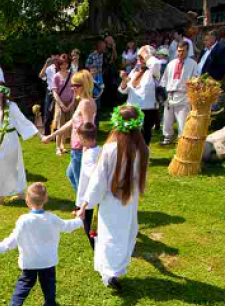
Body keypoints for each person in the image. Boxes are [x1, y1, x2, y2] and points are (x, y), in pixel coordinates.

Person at [76, 106, 150, 293]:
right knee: (124, 232)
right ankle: (115, 269)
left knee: (109, 234)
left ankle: (109, 273)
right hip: (129, 200)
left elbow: (98, 179)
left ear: (116, 125)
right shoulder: (142, 148)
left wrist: (86, 203)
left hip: (111, 200)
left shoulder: (110, 149)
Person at [0, 182, 83, 306]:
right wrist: (79, 219)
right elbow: (68, 226)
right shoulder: (52, 218)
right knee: (49, 284)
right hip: (47, 262)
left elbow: (12, 241)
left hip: (29, 262)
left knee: (24, 284)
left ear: (27, 201)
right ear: (46, 200)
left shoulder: (23, 221)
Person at [0, 83, 40, 206]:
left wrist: (39, 135)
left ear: (2, 93)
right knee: (12, 168)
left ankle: (0, 197)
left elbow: (23, 121)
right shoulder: (0, 108)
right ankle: (20, 193)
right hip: (4, 142)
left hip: (11, 141)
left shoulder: (12, 106)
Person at [42, 70, 97, 192]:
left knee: (79, 181)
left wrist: (86, 149)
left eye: (76, 85)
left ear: (85, 85)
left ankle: (83, 207)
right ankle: (84, 205)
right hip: (77, 147)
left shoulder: (86, 103)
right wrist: (52, 136)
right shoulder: (83, 101)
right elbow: (71, 122)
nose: (72, 88)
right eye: (72, 85)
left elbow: (88, 128)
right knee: (71, 174)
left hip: (80, 148)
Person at [160, 41, 199, 146]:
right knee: (167, 119)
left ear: (187, 51)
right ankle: (167, 137)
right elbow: (164, 79)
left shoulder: (193, 64)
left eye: (183, 51)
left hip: (183, 94)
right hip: (170, 94)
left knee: (182, 120)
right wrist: (163, 93)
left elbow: (196, 79)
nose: (180, 53)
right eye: (179, 51)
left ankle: (182, 139)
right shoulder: (171, 63)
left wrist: (192, 87)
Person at [119, 53, 158, 145]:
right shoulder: (134, 71)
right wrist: (124, 80)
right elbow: (123, 90)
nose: (140, 60)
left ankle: (143, 156)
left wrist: (146, 54)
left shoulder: (153, 72)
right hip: (131, 108)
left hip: (147, 109)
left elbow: (155, 63)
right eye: (139, 58)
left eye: (142, 58)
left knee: (144, 136)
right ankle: (132, 156)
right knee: (130, 134)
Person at [74, 121, 101, 249]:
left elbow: (94, 176)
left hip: (89, 198)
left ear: (83, 139)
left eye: (79, 138)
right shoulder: (99, 150)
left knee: (89, 228)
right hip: (96, 197)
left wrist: (84, 204)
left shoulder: (90, 155)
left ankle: (97, 250)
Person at [51, 54, 76, 155]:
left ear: (68, 64)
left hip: (70, 103)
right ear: (59, 64)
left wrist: (72, 103)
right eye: (61, 64)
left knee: (68, 125)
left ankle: (62, 145)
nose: (63, 66)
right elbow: (55, 93)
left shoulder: (72, 75)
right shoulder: (56, 76)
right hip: (59, 104)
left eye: (65, 63)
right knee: (60, 126)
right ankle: (57, 147)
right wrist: (62, 105)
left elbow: (75, 91)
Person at [39, 54, 60, 137]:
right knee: (47, 113)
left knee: (57, 114)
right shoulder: (49, 68)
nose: (55, 59)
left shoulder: (62, 67)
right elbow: (41, 76)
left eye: (56, 58)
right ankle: (46, 133)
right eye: (53, 58)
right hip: (50, 92)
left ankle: (56, 133)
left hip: (59, 92)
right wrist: (46, 64)